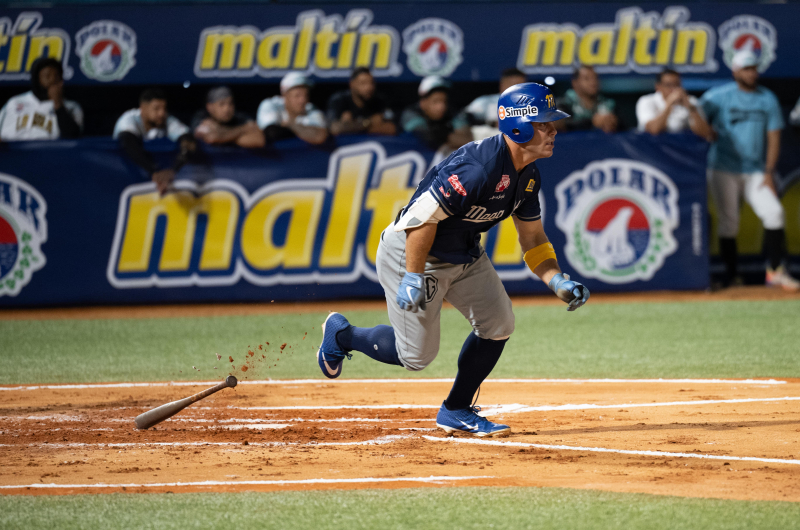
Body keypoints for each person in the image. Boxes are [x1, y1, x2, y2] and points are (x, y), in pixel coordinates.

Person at [316, 83, 590, 437]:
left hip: (464, 252)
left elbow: (533, 238)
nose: (553, 131)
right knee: (416, 357)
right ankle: (343, 335)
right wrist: (413, 276)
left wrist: (557, 280)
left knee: (499, 324)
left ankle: (456, 409)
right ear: (519, 127)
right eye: (544, 124)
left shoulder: (528, 175)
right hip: (414, 251)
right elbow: (422, 220)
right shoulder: (478, 168)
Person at [700, 50, 799, 291]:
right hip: (723, 168)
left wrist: (769, 172)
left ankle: (774, 272)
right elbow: (697, 123)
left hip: (755, 170)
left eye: (753, 68)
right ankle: (732, 276)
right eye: (746, 69)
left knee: (774, 212)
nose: (751, 73)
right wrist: (707, 131)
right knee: (729, 222)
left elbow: (774, 137)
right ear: (735, 71)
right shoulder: (717, 96)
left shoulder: (767, 99)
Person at [113, 89, 196, 195]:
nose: (161, 113)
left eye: (164, 108)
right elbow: (127, 142)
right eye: (156, 108)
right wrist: (155, 171)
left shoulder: (166, 120)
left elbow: (188, 139)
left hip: (155, 182)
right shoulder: (128, 119)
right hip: (122, 178)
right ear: (143, 107)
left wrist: (173, 170)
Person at [0, 57, 82, 141]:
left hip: (49, 149)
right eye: (47, 76)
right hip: (11, 148)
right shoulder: (14, 102)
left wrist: (58, 105)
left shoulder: (72, 107)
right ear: (37, 79)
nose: (53, 80)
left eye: (57, 76)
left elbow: (73, 139)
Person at [400, 76, 472, 151]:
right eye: (436, 101)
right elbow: (429, 136)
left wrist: (445, 137)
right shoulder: (410, 113)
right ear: (423, 102)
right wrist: (448, 137)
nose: (442, 106)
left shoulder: (452, 112)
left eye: (444, 101)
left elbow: (468, 141)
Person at [636, 69, 711, 138]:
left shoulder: (691, 101)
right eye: (668, 85)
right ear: (658, 87)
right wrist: (669, 104)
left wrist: (690, 107)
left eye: (677, 85)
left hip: (682, 146)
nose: (674, 89)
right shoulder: (646, 101)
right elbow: (653, 130)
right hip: (652, 147)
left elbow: (706, 134)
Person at [257, 72, 328, 145]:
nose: (303, 100)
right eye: (297, 95)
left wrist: (290, 124)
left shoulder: (311, 109)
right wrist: (303, 131)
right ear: (285, 95)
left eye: (306, 95)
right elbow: (271, 133)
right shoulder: (271, 105)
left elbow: (319, 136)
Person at [327, 67, 396, 136]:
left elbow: (391, 128)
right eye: (363, 83)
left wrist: (349, 126)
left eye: (371, 83)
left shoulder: (379, 101)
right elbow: (334, 128)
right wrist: (368, 123)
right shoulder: (339, 100)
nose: (369, 87)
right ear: (352, 84)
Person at [464, 67, 527, 140]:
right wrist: (491, 123)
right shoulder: (486, 101)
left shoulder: (531, 104)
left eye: (520, 85)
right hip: (486, 141)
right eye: (512, 84)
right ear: (502, 85)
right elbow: (463, 118)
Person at [192, 86, 265, 148]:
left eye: (230, 103)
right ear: (210, 107)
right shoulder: (202, 117)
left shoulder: (239, 117)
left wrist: (221, 134)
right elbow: (212, 138)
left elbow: (259, 140)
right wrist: (244, 129)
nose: (227, 109)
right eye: (222, 104)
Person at [555, 65, 617, 133]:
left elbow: (623, 125)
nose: (593, 82)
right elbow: (560, 123)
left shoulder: (608, 103)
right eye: (587, 78)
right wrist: (592, 122)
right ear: (575, 83)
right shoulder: (564, 103)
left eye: (595, 78)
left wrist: (613, 123)